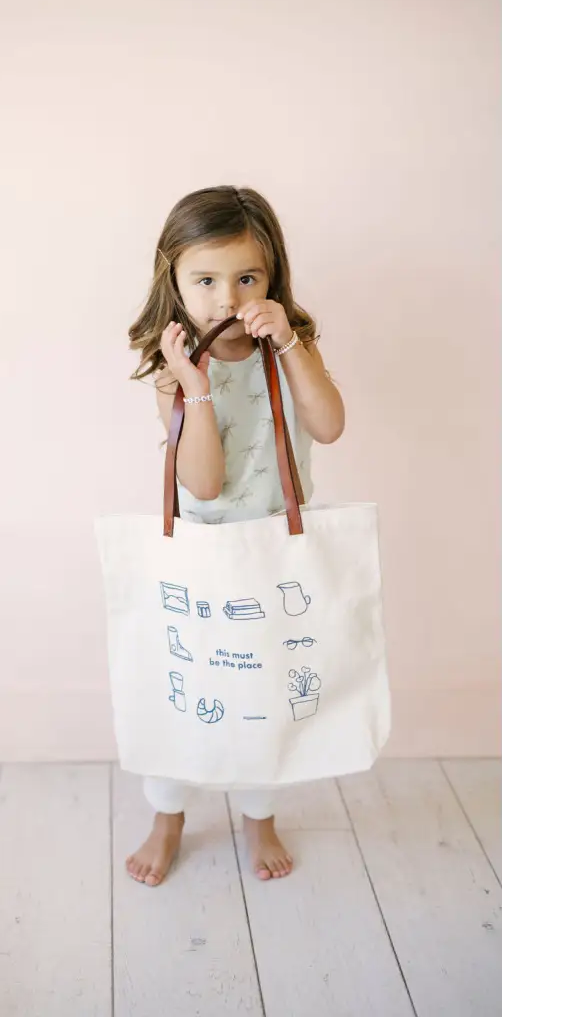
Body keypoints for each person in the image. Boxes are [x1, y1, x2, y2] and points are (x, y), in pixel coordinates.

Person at [124, 186, 346, 886]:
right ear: (174, 280)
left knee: (265, 694)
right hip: (202, 560)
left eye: (247, 277)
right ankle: (168, 816)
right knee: (187, 690)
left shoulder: (289, 343)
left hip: (276, 552)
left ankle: (259, 814)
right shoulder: (173, 364)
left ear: (272, 273)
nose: (227, 298)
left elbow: (328, 425)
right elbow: (204, 484)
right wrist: (193, 385)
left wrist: (291, 346)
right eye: (206, 280)